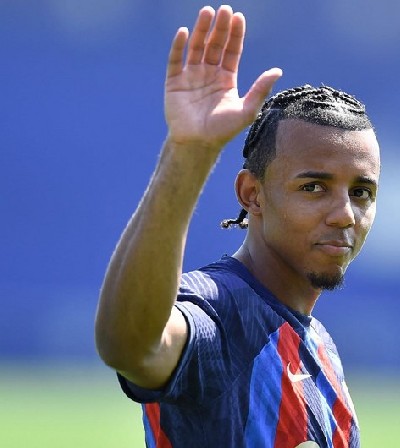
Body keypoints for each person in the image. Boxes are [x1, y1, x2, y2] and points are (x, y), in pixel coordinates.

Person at [94, 5, 380, 448]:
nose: (345, 213)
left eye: (361, 192)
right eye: (313, 187)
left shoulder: (319, 345)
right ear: (251, 194)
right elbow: (133, 345)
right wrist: (190, 152)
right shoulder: (220, 312)